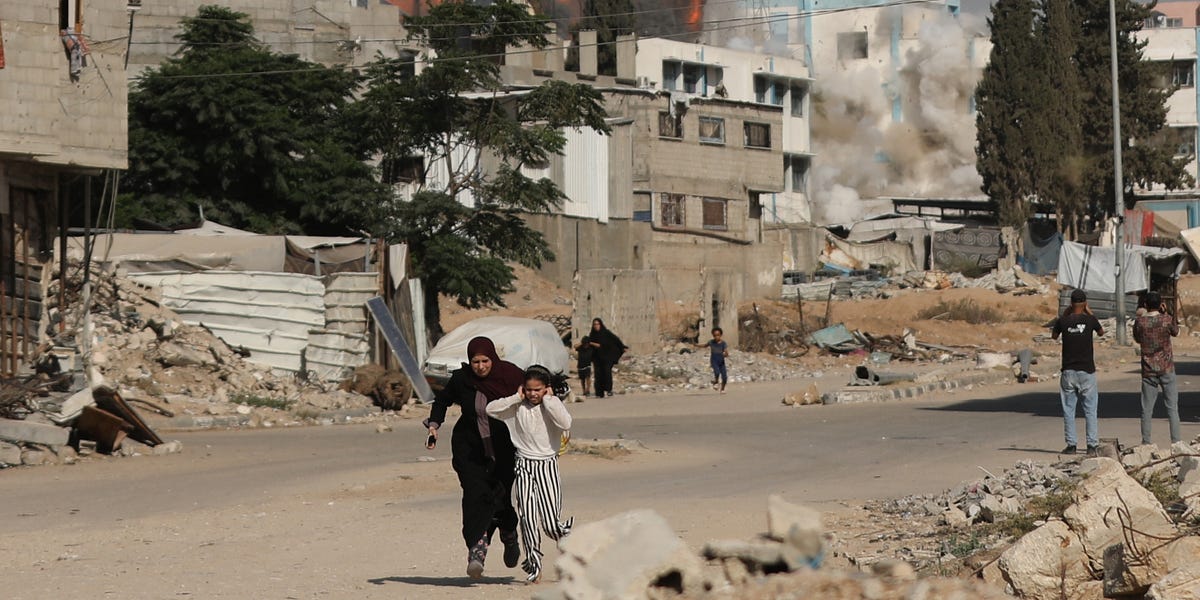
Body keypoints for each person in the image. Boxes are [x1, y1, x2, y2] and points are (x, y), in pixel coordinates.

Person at [424, 337, 525, 579]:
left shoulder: (510, 375)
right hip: (469, 449)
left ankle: (509, 534)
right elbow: (442, 400)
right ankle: (477, 550)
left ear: (493, 358)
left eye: (485, 361)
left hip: (504, 449)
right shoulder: (462, 378)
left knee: (499, 498)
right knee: (474, 496)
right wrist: (434, 425)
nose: (480, 366)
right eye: (475, 361)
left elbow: (536, 391)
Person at [485, 365, 574, 584]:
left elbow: (566, 423)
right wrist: (516, 397)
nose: (533, 394)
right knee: (527, 519)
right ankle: (534, 567)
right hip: (523, 465)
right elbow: (491, 409)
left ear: (546, 388)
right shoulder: (517, 407)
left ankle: (565, 538)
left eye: (538, 389)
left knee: (550, 522)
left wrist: (550, 400)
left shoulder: (552, 405)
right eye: (529, 389)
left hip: (547, 466)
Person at [1051, 289, 1105, 457]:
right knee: (1090, 410)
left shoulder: (1063, 321)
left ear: (1071, 303)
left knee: (1069, 410)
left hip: (1068, 371)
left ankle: (1071, 445)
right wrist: (1089, 312)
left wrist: (1066, 314)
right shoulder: (1090, 320)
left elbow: (1054, 336)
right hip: (1087, 371)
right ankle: (1092, 445)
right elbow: (1101, 332)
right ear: (1085, 303)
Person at [1133, 290, 1181, 445]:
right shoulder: (1166, 320)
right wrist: (1166, 312)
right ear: (1161, 304)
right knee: (1172, 408)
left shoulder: (1140, 322)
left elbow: (1137, 338)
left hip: (1148, 370)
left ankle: (1146, 442)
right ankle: (1176, 442)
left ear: (1145, 305)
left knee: (1146, 409)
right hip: (1166, 368)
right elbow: (1176, 332)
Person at [587, 318, 628, 398]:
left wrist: (622, 347)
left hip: (607, 357)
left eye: (597, 324)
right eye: (594, 324)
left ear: (600, 325)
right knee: (598, 375)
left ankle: (609, 390)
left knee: (607, 373)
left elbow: (615, 340)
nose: (596, 326)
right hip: (597, 358)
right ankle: (599, 392)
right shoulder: (592, 335)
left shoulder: (606, 333)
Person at [706, 327, 730, 393]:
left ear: (720, 335)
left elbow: (726, 352)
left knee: (724, 377)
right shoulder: (711, 342)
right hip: (714, 360)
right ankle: (716, 382)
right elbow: (705, 345)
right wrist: (696, 345)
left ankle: (722, 389)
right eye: (715, 335)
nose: (716, 337)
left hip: (721, 361)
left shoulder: (723, 343)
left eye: (718, 335)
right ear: (713, 335)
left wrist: (725, 354)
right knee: (717, 372)